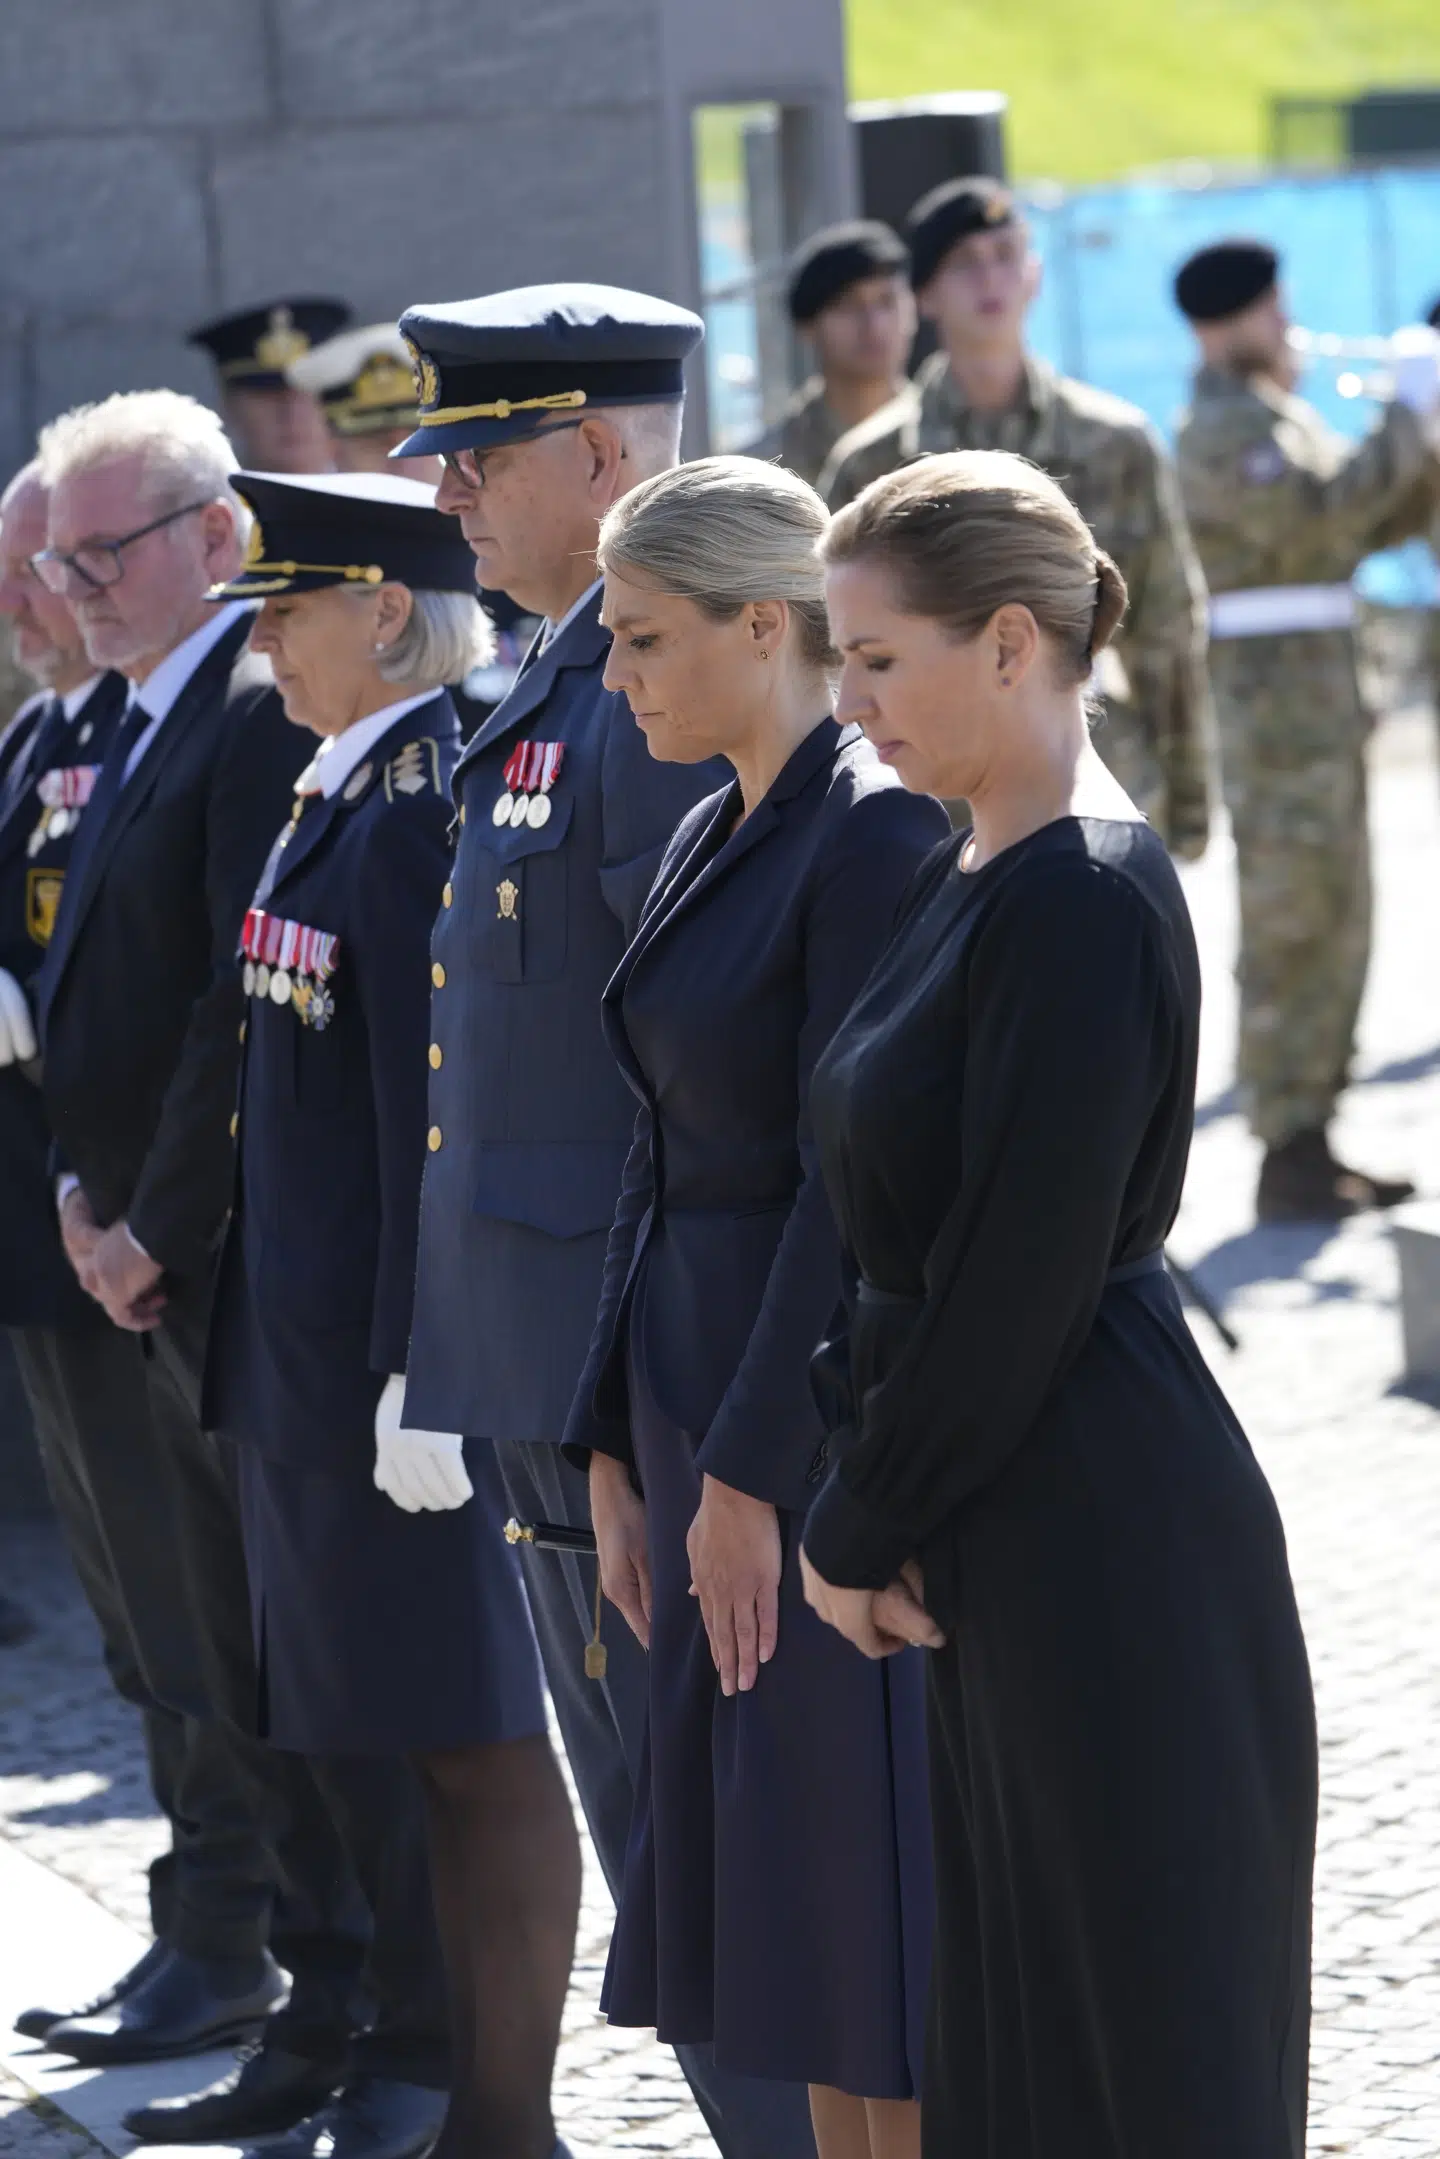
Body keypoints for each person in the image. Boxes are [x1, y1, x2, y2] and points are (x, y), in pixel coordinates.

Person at [797, 449, 1318, 2159]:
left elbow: (1017, 1270)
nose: (848, 698)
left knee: (1135, 2038)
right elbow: (892, 1225)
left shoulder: (1081, 896)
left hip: (1101, 1516)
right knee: (1023, 2036)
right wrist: (871, 1476)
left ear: (1009, 643)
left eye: (877, 658)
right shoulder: (969, 867)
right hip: (1007, 1505)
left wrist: (856, 1519)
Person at [395, 282, 818, 2159]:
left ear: (598, 453)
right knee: (672, 1851)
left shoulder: (652, 691)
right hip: (551, 1366)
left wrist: (636, 1399)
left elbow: (709, 1061)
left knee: (715, 1862)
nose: (449, 495)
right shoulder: (554, 678)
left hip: (630, 1377)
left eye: (480, 456)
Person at [29, 394, 443, 2159]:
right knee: (230, 1661)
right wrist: (77, 1181)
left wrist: (148, 1221)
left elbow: (233, 1005)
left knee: (320, 1680)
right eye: (56, 561)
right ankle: (316, 1996)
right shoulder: (130, 711)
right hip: (141, 1253)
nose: (70, 589)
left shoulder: (267, 717)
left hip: (240, 1267)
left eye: (99, 552)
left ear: (214, 534)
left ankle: (379, 2015)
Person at [561, 457, 947, 2157]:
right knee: (791, 1930)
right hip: (685, 1403)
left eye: (644, 638)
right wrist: (607, 1445)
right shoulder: (718, 817)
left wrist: (745, 1473)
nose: (618, 675)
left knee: (861, 1907)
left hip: (784, 1423)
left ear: (763, 624)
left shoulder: (867, 830)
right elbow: (648, 1149)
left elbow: (838, 1183)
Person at [203, 467, 577, 2159]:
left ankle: (507, 2119)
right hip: (318, 1365)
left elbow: (447, 1106)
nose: (263, 642)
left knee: (487, 1748)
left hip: (397, 1379)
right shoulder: (338, 787)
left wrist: (436, 1359)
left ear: (379, 614)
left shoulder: (424, 799)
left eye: (284, 610)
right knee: (421, 1752)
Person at [821, 177, 1212, 860]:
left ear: (1034, 276)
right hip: (926, 802)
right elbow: (839, 652)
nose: (990, 278)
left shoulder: (1116, 441)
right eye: (966, 262)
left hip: (1089, 781)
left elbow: (1167, 626)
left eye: (1006, 254)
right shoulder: (875, 463)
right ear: (927, 294)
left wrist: (1187, 799)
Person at [1173, 239, 1440, 1220]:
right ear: (1221, 322)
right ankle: (1287, 1135)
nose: (1284, 325)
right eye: (1267, 311)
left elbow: (1369, 523)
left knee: (1340, 911)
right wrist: (1404, 416)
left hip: (1316, 706)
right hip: (1276, 716)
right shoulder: (1220, 428)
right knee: (1294, 914)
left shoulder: (1279, 416)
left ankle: (1316, 1127)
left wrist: (1421, 440)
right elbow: (1319, 515)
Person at [0, 465, 125, 1667]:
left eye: (39, 568)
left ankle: (226, 1862)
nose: (21, 602)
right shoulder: (41, 731)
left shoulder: (164, 730)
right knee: (126, 1599)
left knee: (174, 1599)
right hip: (44, 1205)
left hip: (125, 1219)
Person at [287, 324, 536, 729]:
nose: (402, 460)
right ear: (333, 447)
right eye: (379, 441)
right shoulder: (314, 578)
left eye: (419, 440)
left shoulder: (510, 555)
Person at [746, 221, 915, 487]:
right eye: (848, 305)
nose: (873, 324)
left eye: (886, 301)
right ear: (808, 326)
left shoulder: (948, 439)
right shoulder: (765, 471)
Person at [188, 299, 351, 473]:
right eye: (269, 395)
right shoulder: (206, 499)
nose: (291, 412)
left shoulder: (376, 495)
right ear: (229, 405)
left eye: (308, 392)